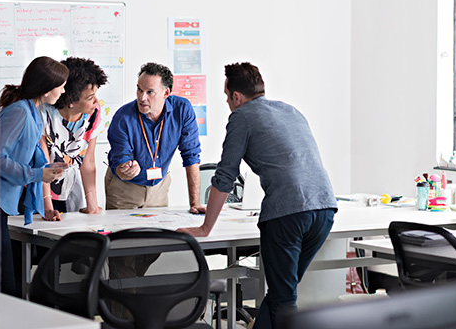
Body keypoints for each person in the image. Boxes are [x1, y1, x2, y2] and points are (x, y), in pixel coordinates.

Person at [178, 62, 338, 328]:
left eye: (227, 98)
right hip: (324, 210)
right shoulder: (292, 111)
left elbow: (225, 175)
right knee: (280, 293)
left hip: (288, 214)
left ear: (236, 97)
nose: (228, 103)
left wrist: (206, 227)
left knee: (284, 298)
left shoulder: (241, 116)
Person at [0, 56, 69, 296]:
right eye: (61, 85)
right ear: (47, 88)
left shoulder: (33, 111)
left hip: (0, 203)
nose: (64, 90)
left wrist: (51, 168)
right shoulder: (19, 111)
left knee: (10, 281)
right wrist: (38, 173)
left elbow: (33, 153)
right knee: (6, 284)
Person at [105, 62, 204, 213]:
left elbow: (191, 156)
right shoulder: (123, 117)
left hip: (159, 187)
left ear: (166, 93)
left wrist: (195, 204)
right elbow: (120, 162)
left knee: (158, 234)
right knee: (124, 236)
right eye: (139, 90)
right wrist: (126, 169)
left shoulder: (182, 110)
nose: (142, 97)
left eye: (150, 92)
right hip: (125, 188)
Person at [39, 57, 108, 217]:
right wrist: (47, 207)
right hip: (40, 189)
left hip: (70, 187)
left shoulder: (94, 114)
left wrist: (92, 204)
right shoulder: (43, 114)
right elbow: (43, 164)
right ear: (70, 101)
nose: (96, 102)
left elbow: (88, 162)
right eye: (90, 98)